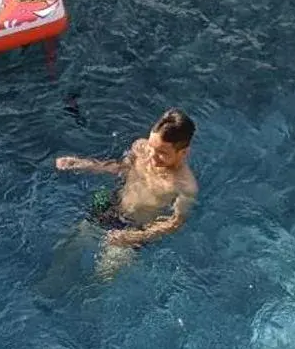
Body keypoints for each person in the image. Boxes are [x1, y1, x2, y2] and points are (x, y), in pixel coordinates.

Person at [53, 108, 198, 274]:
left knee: (104, 275)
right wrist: (85, 164)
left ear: (183, 152)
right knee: (68, 251)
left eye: (162, 153)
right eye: (152, 147)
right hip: (111, 209)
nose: (151, 156)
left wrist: (135, 237)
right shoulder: (140, 147)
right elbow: (122, 168)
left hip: (133, 230)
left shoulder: (185, 186)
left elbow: (174, 223)